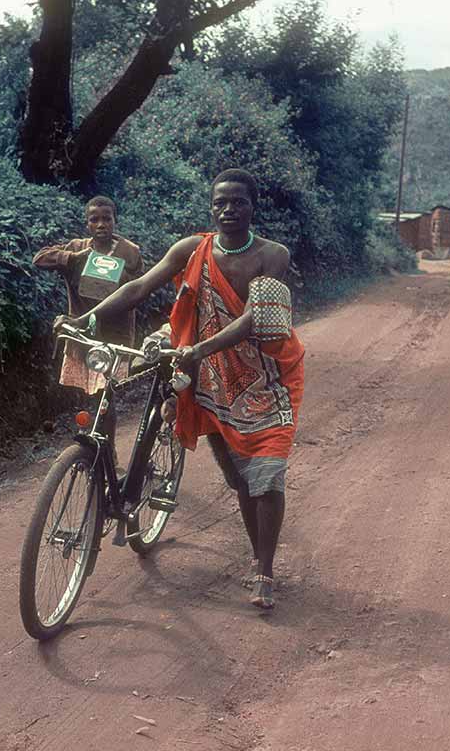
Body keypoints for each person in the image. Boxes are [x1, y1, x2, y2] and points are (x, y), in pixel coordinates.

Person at [55, 170, 304, 609]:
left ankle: (263, 567)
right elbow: (137, 285)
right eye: (220, 203)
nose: (228, 210)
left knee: (264, 475)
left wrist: (200, 347)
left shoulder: (273, 256)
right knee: (240, 478)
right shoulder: (192, 249)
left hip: (263, 380)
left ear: (253, 206)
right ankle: (252, 550)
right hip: (207, 378)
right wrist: (86, 320)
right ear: (211, 206)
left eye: (238, 203)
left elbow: (255, 318)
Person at [33, 195, 144, 464]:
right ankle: (87, 446)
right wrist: (74, 258)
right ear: (87, 224)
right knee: (85, 394)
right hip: (82, 336)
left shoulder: (130, 251)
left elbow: (141, 289)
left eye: (106, 218)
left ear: (115, 220)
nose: (101, 224)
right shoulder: (78, 247)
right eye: (94, 219)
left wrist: (118, 277)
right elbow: (39, 259)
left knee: (107, 397)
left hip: (114, 337)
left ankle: (109, 451)